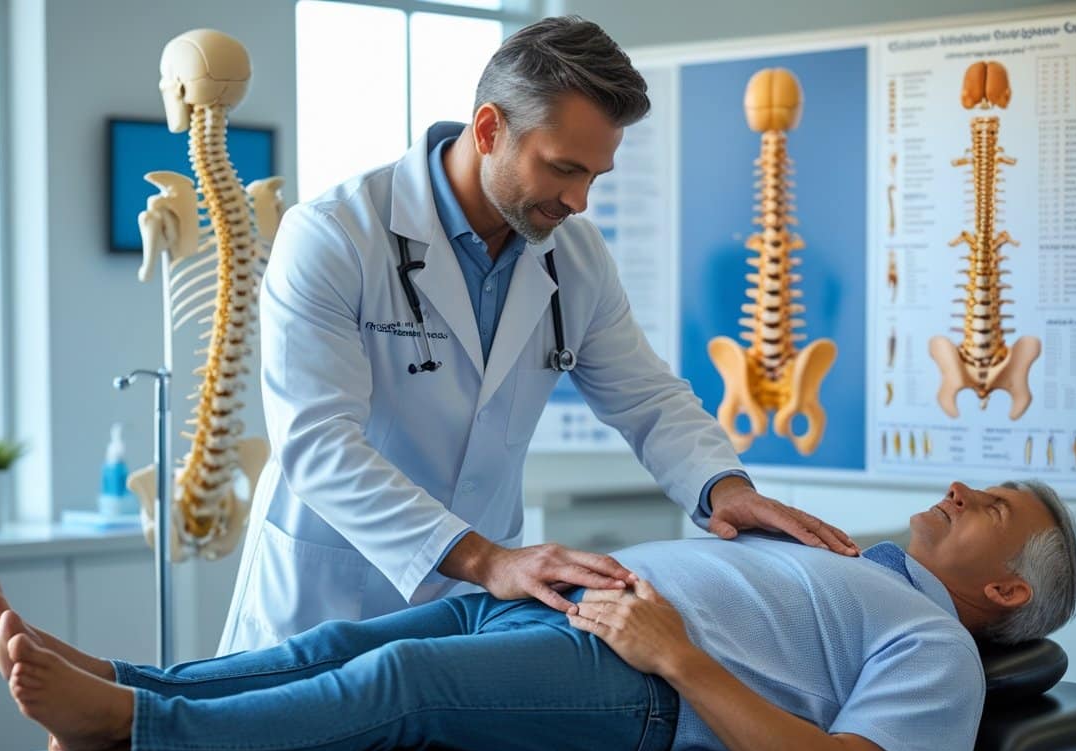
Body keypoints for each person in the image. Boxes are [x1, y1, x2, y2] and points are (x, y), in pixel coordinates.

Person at [221, 15, 857, 652]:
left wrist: (725, 488)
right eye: (563, 168)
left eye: (594, 177)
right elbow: (317, 443)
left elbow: (648, 398)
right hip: (331, 593)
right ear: (491, 129)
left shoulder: (573, 255)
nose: (579, 201)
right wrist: (487, 560)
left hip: (471, 610)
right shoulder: (334, 236)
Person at [0, 480, 1076, 751]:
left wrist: (679, 658)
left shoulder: (934, 641)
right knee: (335, 639)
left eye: (984, 505)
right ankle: (129, 681)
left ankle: (130, 726)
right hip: (560, 605)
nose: (953, 492)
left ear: (1006, 589)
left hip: (633, 681)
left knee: (394, 686)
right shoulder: (858, 565)